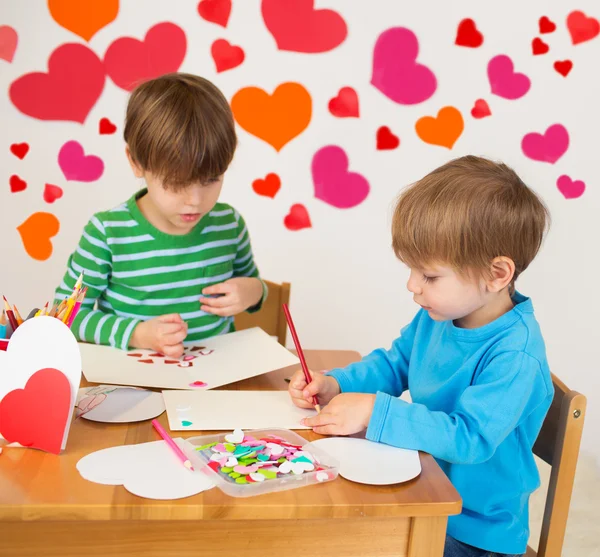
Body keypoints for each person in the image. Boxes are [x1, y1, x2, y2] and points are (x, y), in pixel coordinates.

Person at [289, 155, 553, 556]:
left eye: (429, 276)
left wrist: (377, 413)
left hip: (474, 530)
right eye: (412, 270)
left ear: (497, 275)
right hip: (422, 491)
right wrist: (338, 382)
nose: (412, 285)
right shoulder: (440, 313)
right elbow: (396, 364)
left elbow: (470, 438)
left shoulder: (515, 356)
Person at [54, 73, 266, 358]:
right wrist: (137, 334)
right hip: (134, 387)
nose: (195, 201)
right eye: (176, 183)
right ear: (136, 162)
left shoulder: (229, 224)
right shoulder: (107, 232)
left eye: (211, 180)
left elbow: (252, 284)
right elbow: (63, 317)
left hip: (216, 387)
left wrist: (253, 292)